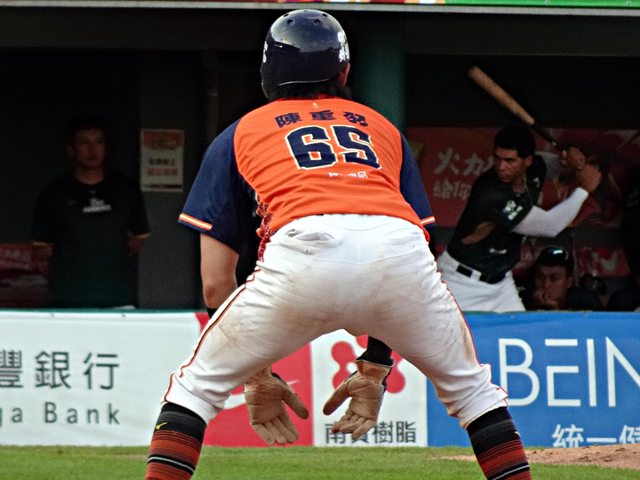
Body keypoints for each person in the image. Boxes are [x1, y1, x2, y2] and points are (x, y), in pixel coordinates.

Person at [145, 10, 532, 480]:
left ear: (268, 72)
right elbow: (400, 254)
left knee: (194, 391)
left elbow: (214, 283)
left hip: (303, 249)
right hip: (401, 251)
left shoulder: (240, 132)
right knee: (474, 394)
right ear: (344, 72)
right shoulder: (382, 128)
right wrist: (376, 364)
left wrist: (255, 372)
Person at [436, 125, 602, 312]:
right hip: (461, 281)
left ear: (527, 161)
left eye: (510, 161)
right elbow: (550, 226)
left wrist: (570, 162)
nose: (501, 167)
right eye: (497, 158)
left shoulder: (535, 166)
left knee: (520, 328)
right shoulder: (491, 192)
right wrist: (583, 190)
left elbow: (552, 165)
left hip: (501, 284)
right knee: (452, 331)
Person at [32, 114, 150, 308]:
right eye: (84, 143)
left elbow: (139, 239)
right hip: (67, 302)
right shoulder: (54, 194)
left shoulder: (126, 190)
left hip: (118, 299)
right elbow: (40, 250)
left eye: (98, 142)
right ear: (71, 149)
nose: (92, 150)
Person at [523, 246, 602, 310]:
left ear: (569, 282)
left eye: (554, 279)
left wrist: (554, 311)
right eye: (540, 277)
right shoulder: (522, 301)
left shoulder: (585, 302)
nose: (545, 285)